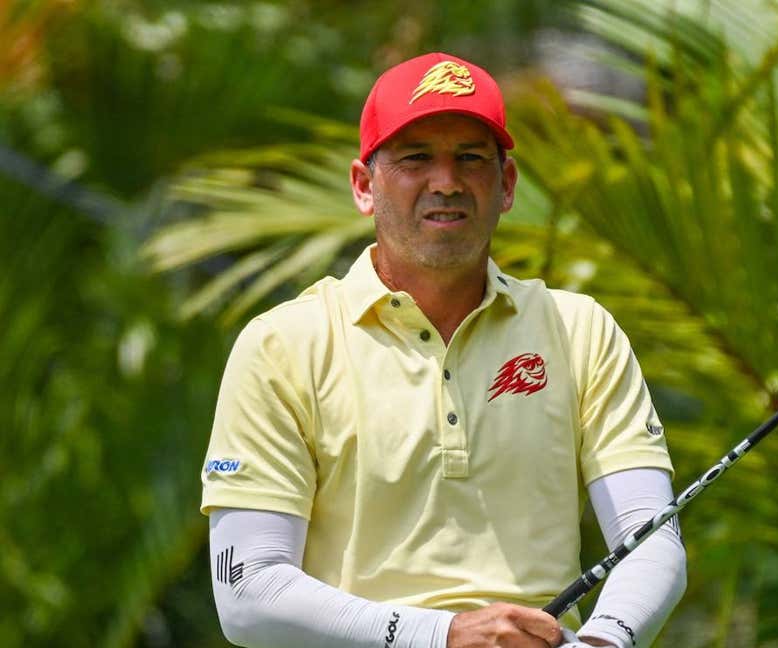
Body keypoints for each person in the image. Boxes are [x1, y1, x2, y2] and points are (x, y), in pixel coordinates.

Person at [200, 52, 687, 648]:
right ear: (363, 186)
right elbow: (249, 594)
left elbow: (651, 537)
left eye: (470, 158)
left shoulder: (580, 328)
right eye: (415, 158)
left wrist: (606, 639)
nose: (447, 182)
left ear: (505, 185)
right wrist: (444, 636)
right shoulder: (282, 346)